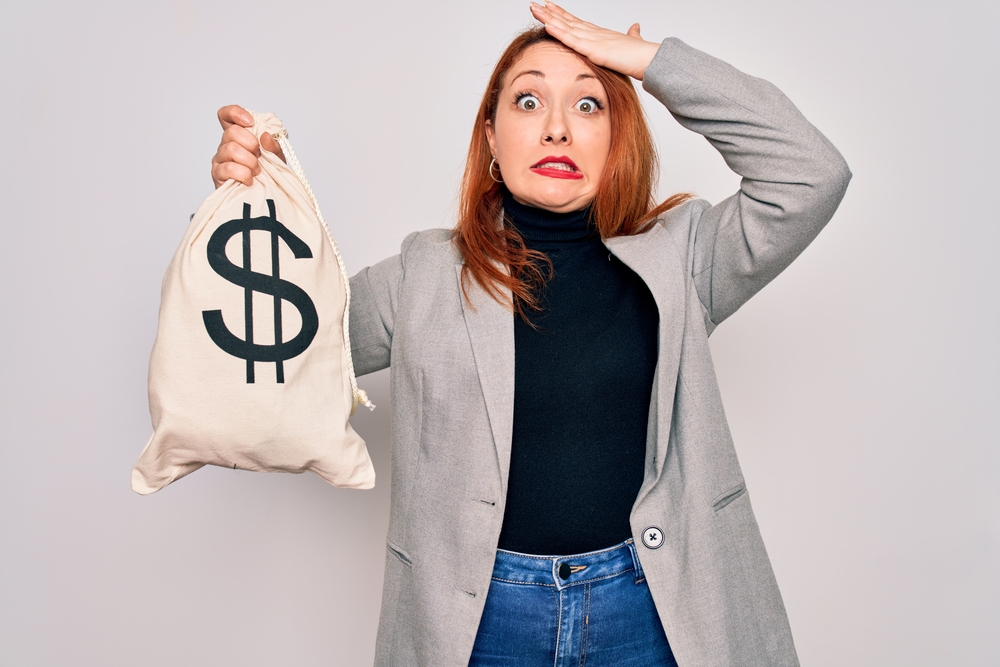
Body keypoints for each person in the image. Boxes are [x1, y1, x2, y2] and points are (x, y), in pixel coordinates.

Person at [210, 3, 850, 666]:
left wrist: (653, 64)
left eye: (588, 106)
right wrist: (257, 204)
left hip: (649, 609)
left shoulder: (683, 260)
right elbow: (274, 353)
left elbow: (812, 174)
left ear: (617, 135)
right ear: (489, 134)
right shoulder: (422, 276)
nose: (555, 129)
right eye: (528, 100)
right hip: (481, 621)